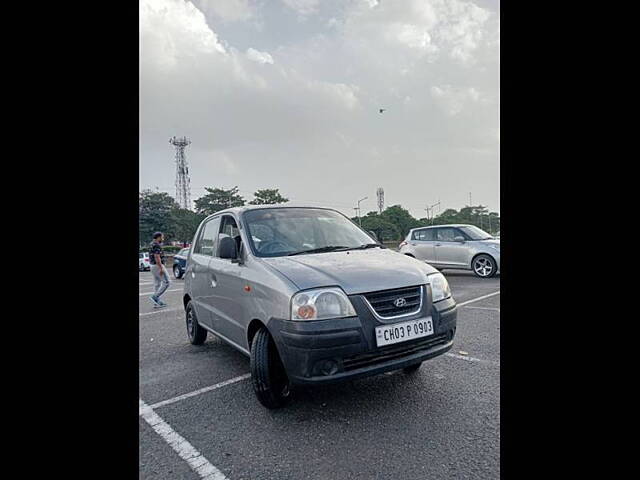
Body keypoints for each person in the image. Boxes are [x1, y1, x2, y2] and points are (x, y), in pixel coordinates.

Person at [149, 232, 170, 308]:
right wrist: (161, 268)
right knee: (167, 282)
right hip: (157, 266)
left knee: (157, 284)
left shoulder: (152, 244)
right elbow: (157, 257)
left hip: (152, 266)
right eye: (162, 237)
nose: (163, 239)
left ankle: (156, 303)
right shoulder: (156, 245)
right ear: (158, 237)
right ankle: (155, 296)